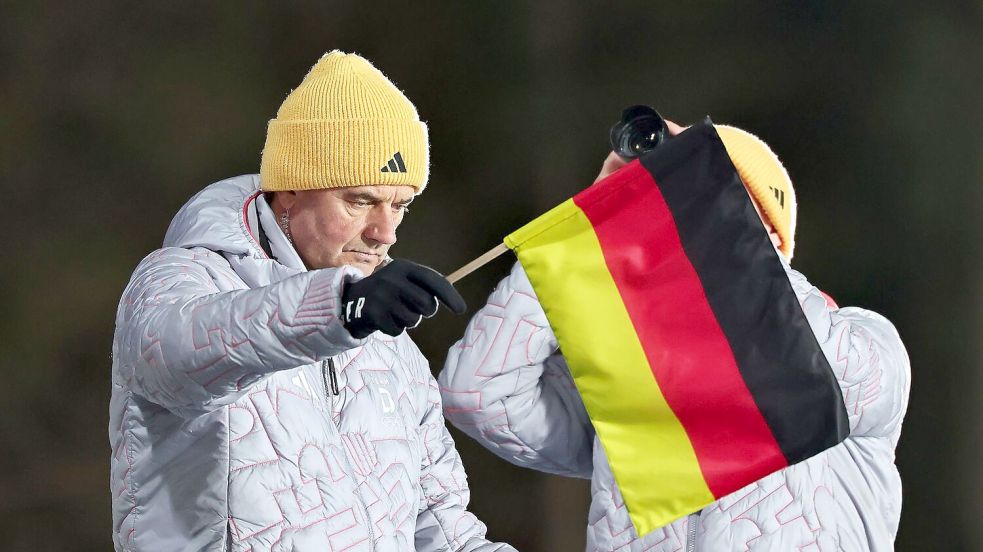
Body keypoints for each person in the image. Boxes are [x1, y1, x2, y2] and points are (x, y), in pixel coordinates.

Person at [110, 51, 516, 552]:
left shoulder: (389, 345)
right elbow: (172, 356)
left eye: (400, 205)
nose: (384, 232)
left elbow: (440, 526)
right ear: (291, 189)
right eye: (360, 201)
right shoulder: (181, 277)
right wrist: (340, 307)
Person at [439, 121, 910, 551]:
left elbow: (802, 352)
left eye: (714, 201)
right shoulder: (634, 368)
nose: (686, 221)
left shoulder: (865, 339)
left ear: (770, 233)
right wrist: (585, 230)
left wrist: (706, 205)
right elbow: (478, 392)